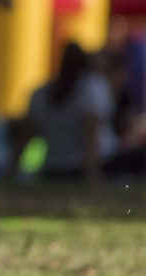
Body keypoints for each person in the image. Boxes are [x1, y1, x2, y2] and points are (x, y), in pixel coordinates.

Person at [12, 42, 146, 183]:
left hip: (53, 167)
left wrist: (11, 169)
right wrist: (93, 176)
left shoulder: (40, 93)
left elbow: (25, 135)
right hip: (91, 165)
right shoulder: (92, 86)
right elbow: (90, 132)